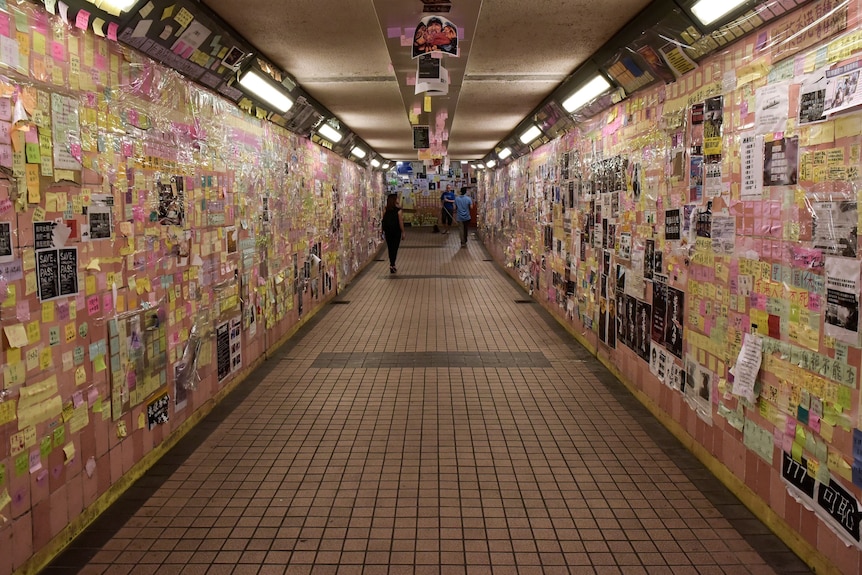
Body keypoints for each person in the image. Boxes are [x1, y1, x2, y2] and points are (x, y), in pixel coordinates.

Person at [381, 194, 405, 273]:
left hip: (388, 231)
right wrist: (403, 232)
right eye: (397, 198)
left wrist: (381, 231)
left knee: (390, 248)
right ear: (394, 200)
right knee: (395, 248)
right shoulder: (399, 211)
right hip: (396, 231)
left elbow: (383, 220)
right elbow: (400, 222)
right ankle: (392, 264)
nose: (398, 199)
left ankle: (392, 264)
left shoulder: (385, 209)